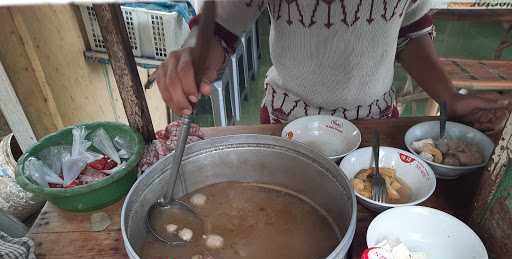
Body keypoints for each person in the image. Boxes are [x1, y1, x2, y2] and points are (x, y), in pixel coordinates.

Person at [156, 0, 511, 132]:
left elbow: (409, 30)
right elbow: (221, 27)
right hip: (288, 124)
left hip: (374, 127)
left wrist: (450, 97)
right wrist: (192, 55)